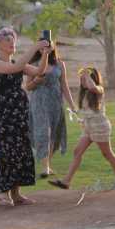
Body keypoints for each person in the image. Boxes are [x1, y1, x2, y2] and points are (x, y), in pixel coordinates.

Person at [0, 27, 50, 205]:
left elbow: (39, 72)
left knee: (21, 148)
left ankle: (16, 193)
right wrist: (35, 47)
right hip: (2, 112)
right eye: (7, 39)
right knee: (7, 149)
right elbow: (14, 68)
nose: (12, 42)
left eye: (13, 39)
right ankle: (2, 192)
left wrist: (45, 54)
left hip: (19, 110)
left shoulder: (17, 62)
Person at [50, 66, 115, 190]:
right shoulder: (84, 93)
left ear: (92, 79)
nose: (82, 81)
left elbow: (92, 87)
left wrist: (87, 74)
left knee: (107, 153)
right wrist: (79, 116)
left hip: (100, 127)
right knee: (77, 151)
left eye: (85, 79)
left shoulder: (99, 89)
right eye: (81, 79)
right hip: (88, 127)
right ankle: (66, 181)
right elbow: (86, 110)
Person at [24, 37, 75, 177]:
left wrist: (72, 105)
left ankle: (47, 164)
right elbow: (28, 87)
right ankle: (45, 167)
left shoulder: (60, 64)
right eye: (41, 46)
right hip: (39, 102)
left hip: (55, 102)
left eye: (46, 46)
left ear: (52, 47)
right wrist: (36, 80)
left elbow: (64, 86)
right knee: (43, 133)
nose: (43, 49)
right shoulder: (33, 64)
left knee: (53, 134)